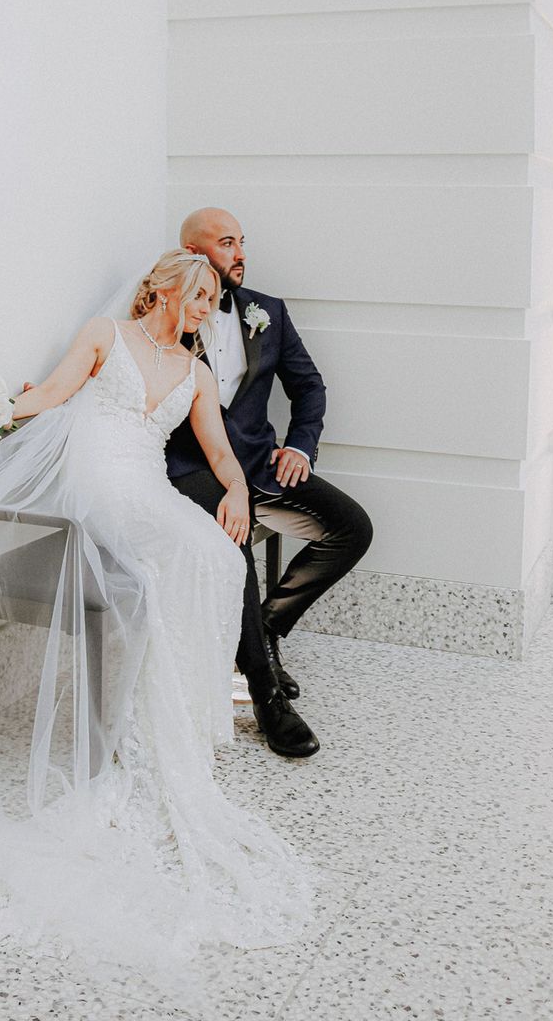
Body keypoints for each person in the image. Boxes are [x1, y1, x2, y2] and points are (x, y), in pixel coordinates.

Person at [0, 249, 319, 995]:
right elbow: (57, 393)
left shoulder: (193, 372)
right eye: (198, 297)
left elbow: (223, 453)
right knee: (165, 565)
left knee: (220, 561)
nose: (205, 311)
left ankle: (182, 714)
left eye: (210, 303)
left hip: (147, 489)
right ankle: (140, 719)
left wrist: (237, 496)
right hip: (92, 484)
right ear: (164, 289)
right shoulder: (106, 334)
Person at [168, 208, 374, 758]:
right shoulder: (170, 310)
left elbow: (309, 388)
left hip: (261, 464)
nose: (240, 253)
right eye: (227, 242)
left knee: (352, 528)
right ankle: (266, 701)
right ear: (193, 252)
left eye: (242, 242)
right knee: (235, 547)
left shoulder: (268, 311)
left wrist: (301, 446)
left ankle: (262, 633)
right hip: (194, 470)